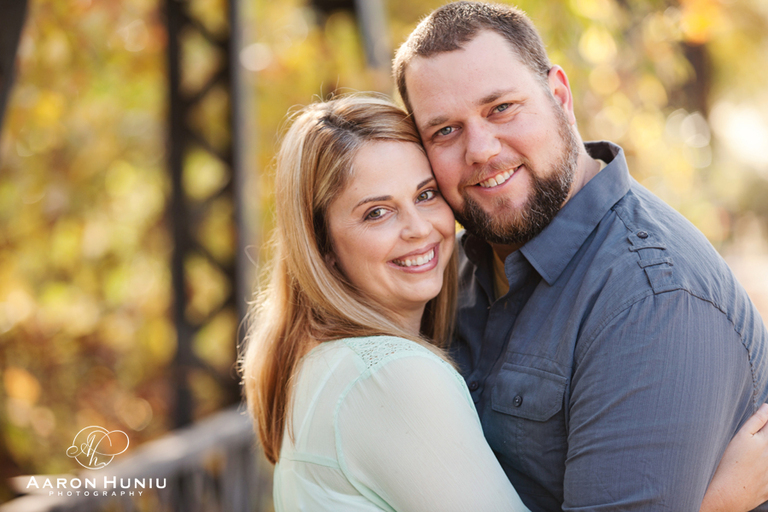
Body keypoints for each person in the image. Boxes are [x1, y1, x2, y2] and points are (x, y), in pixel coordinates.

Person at [240, 94, 768, 512]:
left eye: (426, 195)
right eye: (377, 213)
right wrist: (716, 501)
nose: (418, 229)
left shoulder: (326, 360)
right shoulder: (390, 376)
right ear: (324, 248)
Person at [392, 2, 768, 510]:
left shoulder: (651, 301)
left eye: (501, 107)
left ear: (559, 95)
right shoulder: (441, 272)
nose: (480, 149)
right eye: (445, 131)